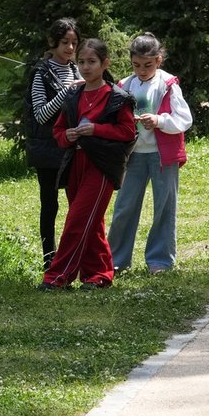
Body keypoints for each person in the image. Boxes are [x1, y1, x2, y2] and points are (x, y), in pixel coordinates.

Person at [42, 39, 138, 290]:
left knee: (77, 220)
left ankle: (57, 277)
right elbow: (58, 131)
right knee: (90, 221)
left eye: (92, 62)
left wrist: (96, 129)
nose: (86, 67)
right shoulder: (73, 95)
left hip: (102, 166)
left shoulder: (117, 98)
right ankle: (99, 275)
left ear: (105, 63)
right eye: (81, 62)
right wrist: (68, 135)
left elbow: (128, 132)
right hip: (75, 163)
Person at [108, 33, 193, 275]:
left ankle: (160, 261)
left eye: (147, 65)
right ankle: (116, 260)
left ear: (158, 60)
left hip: (162, 155)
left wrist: (159, 121)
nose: (142, 71)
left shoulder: (168, 85)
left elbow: (184, 119)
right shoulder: (125, 85)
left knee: (164, 207)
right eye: (136, 65)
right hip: (133, 155)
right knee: (124, 207)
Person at [25, 18, 82, 269]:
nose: (70, 48)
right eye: (65, 43)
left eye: (74, 43)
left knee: (77, 204)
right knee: (50, 205)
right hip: (48, 150)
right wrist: (66, 93)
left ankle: (75, 255)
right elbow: (41, 114)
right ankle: (49, 259)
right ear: (52, 42)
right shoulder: (40, 73)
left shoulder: (77, 70)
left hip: (73, 148)